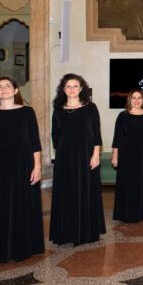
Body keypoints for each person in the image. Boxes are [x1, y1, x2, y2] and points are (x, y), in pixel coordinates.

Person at [0, 77, 44, 265]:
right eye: (0, 87)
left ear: (16, 91)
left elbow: (34, 142)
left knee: (22, 205)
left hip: (23, 165)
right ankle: (0, 248)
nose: (4, 89)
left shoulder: (27, 112)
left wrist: (37, 166)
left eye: (8, 86)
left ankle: (22, 247)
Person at [50, 73, 105, 245]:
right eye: (68, 86)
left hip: (86, 156)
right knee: (66, 192)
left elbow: (96, 134)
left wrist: (96, 154)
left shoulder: (91, 108)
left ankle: (86, 231)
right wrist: (61, 156)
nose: (72, 89)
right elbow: (55, 136)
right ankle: (66, 232)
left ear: (81, 89)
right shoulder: (58, 110)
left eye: (75, 86)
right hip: (65, 157)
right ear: (63, 89)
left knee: (86, 191)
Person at [110, 89, 143, 223]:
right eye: (134, 98)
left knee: (141, 183)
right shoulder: (122, 116)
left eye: (139, 98)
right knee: (127, 183)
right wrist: (115, 156)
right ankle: (125, 212)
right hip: (125, 154)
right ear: (129, 100)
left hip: (142, 154)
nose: (136, 100)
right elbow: (117, 138)